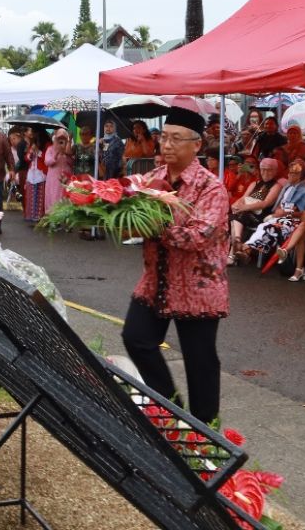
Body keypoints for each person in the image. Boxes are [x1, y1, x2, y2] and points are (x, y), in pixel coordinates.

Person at [121, 107, 230, 426]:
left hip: (198, 287)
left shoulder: (211, 188)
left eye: (176, 139)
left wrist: (155, 227)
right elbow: (128, 212)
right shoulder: (150, 181)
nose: (166, 145)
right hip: (156, 280)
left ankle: (204, 433)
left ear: (197, 145)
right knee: (136, 338)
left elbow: (199, 236)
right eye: (164, 137)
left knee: (200, 361)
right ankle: (171, 413)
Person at [243, 161, 305, 260]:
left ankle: (248, 249)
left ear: (299, 175)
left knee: (270, 228)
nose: (288, 175)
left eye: (292, 173)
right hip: (280, 218)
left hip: (293, 222)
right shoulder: (288, 187)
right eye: (289, 172)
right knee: (262, 226)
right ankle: (248, 250)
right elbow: (279, 205)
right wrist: (279, 211)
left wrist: (287, 213)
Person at [228, 158, 283, 264]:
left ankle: (234, 249)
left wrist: (244, 207)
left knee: (237, 215)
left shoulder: (276, 186)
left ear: (275, 171)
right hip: (245, 213)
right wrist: (236, 205)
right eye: (263, 169)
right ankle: (237, 243)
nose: (265, 172)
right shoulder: (254, 183)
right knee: (236, 214)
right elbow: (243, 198)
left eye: (269, 170)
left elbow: (265, 203)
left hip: (260, 216)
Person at [43, 127, 75, 207]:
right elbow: (47, 162)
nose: (61, 141)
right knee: (54, 197)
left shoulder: (68, 150)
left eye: (63, 139)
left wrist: (66, 153)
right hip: (54, 179)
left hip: (66, 178)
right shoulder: (50, 149)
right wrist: (56, 154)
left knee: (65, 197)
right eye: (59, 139)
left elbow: (72, 163)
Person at [23, 130, 50, 222]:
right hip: (32, 173)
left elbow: (46, 159)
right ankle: (31, 215)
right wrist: (31, 152)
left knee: (40, 195)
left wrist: (38, 152)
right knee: (31, 194)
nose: (32, 135)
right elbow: (27, 158)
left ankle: (40, 215)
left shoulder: (47, 145)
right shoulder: (32, 144)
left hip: (41, 173)